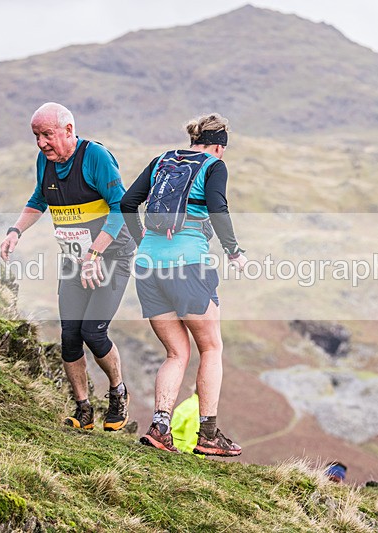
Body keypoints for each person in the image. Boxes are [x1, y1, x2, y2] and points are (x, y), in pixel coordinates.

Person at [0, 102, 135, 431]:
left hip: (111, 254)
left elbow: (122, 206)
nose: (41, 143)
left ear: (68, 131)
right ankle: (83, 408)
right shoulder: (44, 162)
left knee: (94, 331)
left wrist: (95, 253)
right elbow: (39, 199)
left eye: (47, 134)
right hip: (76, 260)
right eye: (36, 136)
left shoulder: (95, 157)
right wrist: (15, 231)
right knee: (70, 336)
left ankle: (117, 393)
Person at [120, 112, 247, 456]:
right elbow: (218, 206)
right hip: (187, 265)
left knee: (176, 352)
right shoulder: (213, 165)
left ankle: (160, 427)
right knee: (211, 348)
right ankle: (208, 434)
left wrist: (142, 236)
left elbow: (127, 202)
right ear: (219, 147)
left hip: (147, 266)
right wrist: (233, 251)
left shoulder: (161, 161)